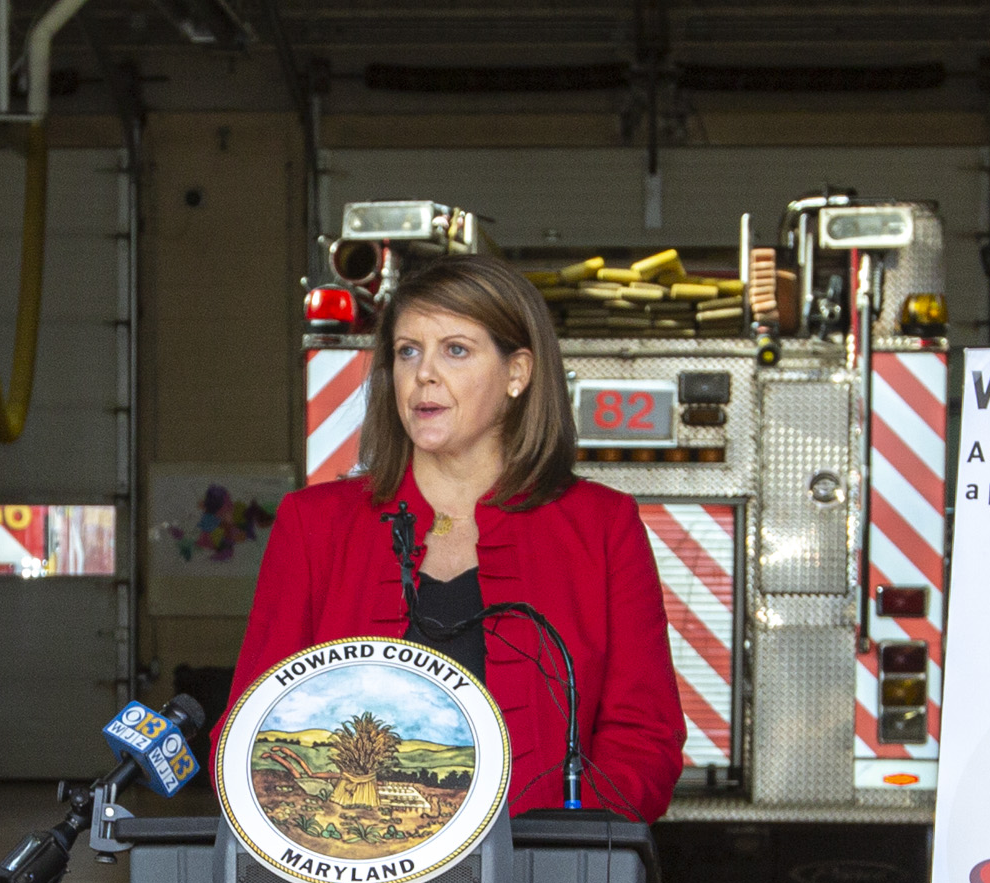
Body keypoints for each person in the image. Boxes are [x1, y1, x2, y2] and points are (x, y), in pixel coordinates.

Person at [231, 253, 681, 822]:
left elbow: (644, 737)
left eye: (456, 350)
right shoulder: (313, 524)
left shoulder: (601, 525)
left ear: (518, 373)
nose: (423, 374)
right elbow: (255, 724)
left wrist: (568, 842)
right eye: (407, 351)